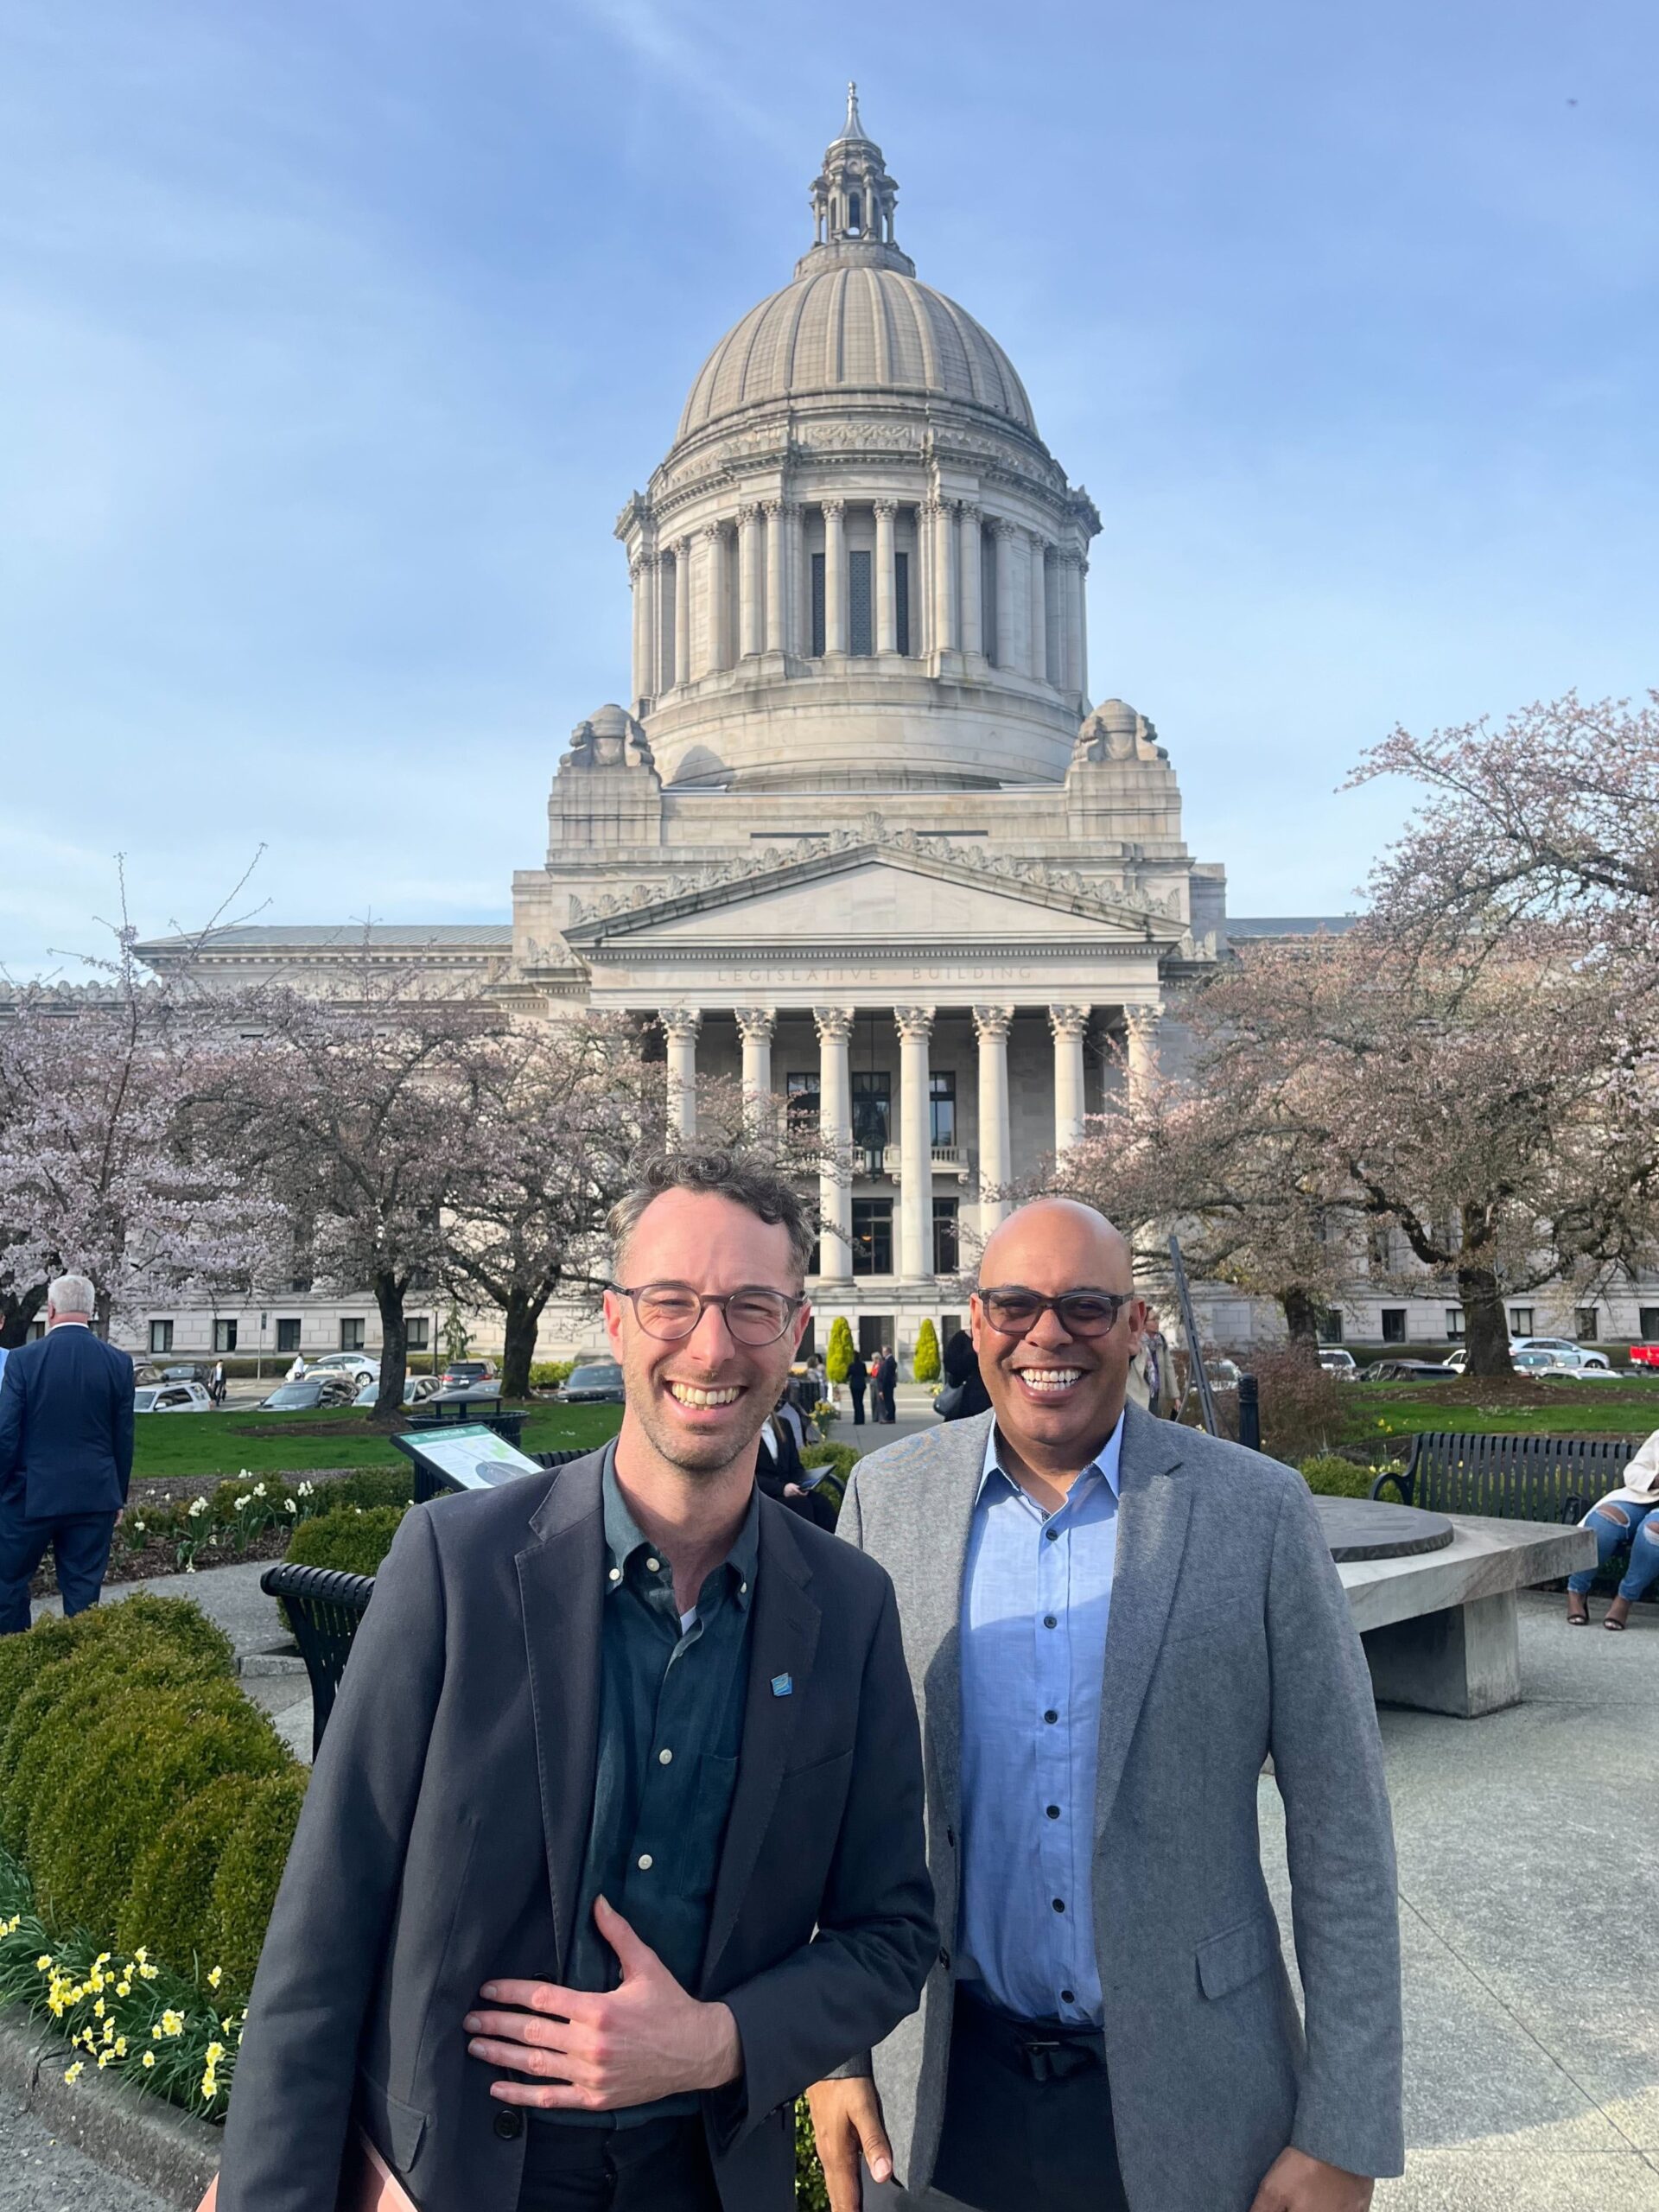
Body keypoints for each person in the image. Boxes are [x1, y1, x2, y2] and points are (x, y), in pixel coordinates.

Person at [219, 1150, 935, 2212]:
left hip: (698, 2178)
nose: (709, 1344)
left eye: (749, 1306)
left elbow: (893, 1932)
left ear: (795, 1331)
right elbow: (324, 1926)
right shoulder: (453, 1567)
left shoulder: (851, 1606)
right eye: (672, 1302)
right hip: (443, 2181)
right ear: (611, 1319)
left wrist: (716, 2042)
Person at [809, 1196, 1402, 2212]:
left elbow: (1342, 1826)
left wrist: (1344, 2130)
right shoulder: (885, 1498)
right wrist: (834, 2054)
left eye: (1086, 1306)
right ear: (975, 1319)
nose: (1049, 1334)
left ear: (1136, 1325)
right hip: (945, 2090)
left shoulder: (1257, 1512)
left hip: (1202, 2096)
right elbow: (837, 1805)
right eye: (1016, 1304)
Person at [0, 1273, 136, 1637]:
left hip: (30, 1494)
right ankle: (79, 1670)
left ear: (51, 1309)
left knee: (8, 1584)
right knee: (83, 1594)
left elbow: (7, 1434)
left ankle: (15, 1660)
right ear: (91, 1311)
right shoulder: (118, 1364)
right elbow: (122, 1438)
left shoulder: (22, 1362)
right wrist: (117, 1494)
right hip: (93, 1495)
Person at [1566, 1428, 1659, 1628]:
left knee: (1653, 1531)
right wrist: (1655, 1479)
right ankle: (1576, 1591)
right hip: (1642, 1496)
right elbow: (1633, 1472)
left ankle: (1625, 1598)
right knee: (1603, 1522)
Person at [1123, 1305, 1177, 1421]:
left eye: (1158, 1318)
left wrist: (1175, 1396)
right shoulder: (1134, 1341)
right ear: (1144, 1323)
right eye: (1154, 1319)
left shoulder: (1160, 1341)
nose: (1157, 1322)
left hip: (1156, 1395)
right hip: (1137, 1395)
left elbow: (1168, 1368)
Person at [934, 1331, 990, 1422]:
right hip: (964, 1395)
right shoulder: (961, 1338)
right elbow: (950, 1364)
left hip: (985, 1395)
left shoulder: (990, 1339)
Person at [875, 1347, 898, 1426]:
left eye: (884, 1352)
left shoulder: (889, 1361)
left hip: (887, 1385)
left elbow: (886, 1375)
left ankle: (890, 1418)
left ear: (887, 1352)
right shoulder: (888, 1360)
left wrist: (881, 1389)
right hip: (888, 1384)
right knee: (889, 1401)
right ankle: (890, 1417)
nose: (883, 1353)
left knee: (888, 1401)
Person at [847, 1350, 869, 1427]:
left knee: (856, 1403)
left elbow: (847, 1375)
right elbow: (865, 1374)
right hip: (862, 1385)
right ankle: (862, 1419)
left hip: (854, 1385)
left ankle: (857, 1419)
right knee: (860, 1402)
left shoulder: (851, 1365)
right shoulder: (863, 1365)